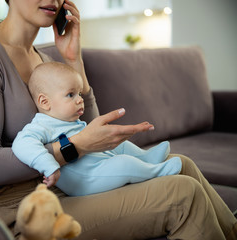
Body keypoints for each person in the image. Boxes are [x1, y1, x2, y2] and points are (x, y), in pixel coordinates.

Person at [0, 0, 237, 239]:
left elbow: (89, 130)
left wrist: (73, 60)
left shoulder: (41, 57)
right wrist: (74, 146)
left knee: (184, 164)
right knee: (182, 194)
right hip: (25, 208)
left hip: (70, 186)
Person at [12, 62, 182, 196]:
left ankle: (146, 157)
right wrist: (49, 166)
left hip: (98, 164)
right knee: (123, 164)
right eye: (71, 94)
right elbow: (22, 143)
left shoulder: (68, 120)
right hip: (85, 179)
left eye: (79, 94)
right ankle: (156, 172)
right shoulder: (42, 124)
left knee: (119, 143)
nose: (80, 100)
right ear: (44, 102)